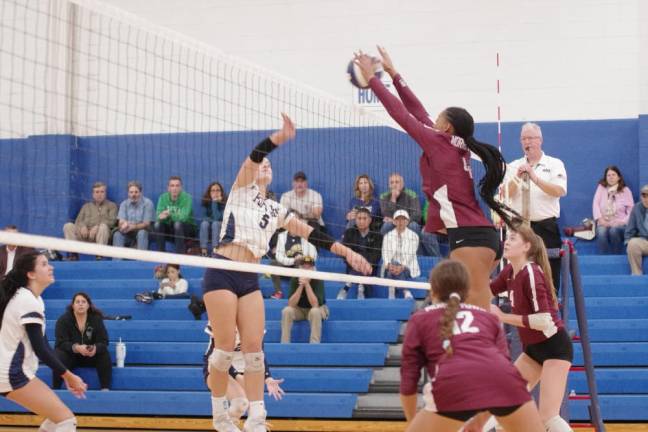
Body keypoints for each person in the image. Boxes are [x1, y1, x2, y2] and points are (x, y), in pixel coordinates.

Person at [201, 113, 371, 432]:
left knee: (254, 352)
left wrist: (348, 251)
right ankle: (220, 416)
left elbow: (314, 235)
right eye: (262, 166)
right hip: (222, 271)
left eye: (269, 166)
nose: (265, 167)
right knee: (224, 350)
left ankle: (256, 419)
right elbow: (256, 154)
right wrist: (281, 137)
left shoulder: (277, 210)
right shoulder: (241, 189)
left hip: (249, 278)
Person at [355, 47, 517, 310]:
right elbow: (417, 110)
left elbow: (401, 114)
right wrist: (394, 74)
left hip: (470, 237)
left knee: (475, 310)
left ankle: (490, 349)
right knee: (464, 305)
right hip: (476, 235)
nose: (434, 118)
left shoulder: (438, 142)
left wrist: (373, 79)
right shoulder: (451, 142)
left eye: (439, 117)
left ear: (446, 127)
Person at [400, 260, 544, 432]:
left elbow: (408, 380)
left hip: (452, 383)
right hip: (507, 383)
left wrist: (412, 422)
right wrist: (480, 421)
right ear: (467, 291)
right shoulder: (487, 317)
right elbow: (499, 369)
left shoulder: (420, 319)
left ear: (433, 290)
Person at [484, 223, 573, 432]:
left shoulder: (531, 272)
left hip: (554, 348)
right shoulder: (509, 272)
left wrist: (503, 316)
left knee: (548, 417)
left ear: (526, 246)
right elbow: (485, 293)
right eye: (507, 237)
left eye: (513, 238)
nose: (506, 241)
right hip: (533, 350)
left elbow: (544, 320)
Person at [0, 252, 87, 431]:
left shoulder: (33, 299)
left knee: (57, 419)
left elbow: (44, 344)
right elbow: (40, 349)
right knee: (66, 421)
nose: (51, 267)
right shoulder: (26, 300)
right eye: (44, 264)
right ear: (31, 274)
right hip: (11, 373)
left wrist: (66, 375)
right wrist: (69, 376)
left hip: (10, 371)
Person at [505, 122, 567, 293]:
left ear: (540, 140)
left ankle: (551, 311)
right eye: (523, 138)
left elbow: (559, 191)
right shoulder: (513, 165)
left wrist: (535, 178)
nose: (527, 142)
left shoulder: (554, 164)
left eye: (531, 138)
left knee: (549, 273)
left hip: (545, 226)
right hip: (519, 227)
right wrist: (517, 178)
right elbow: (505, 196)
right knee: (519, 272)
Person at [203, 325, 285, 424]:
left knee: (258, 415)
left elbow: (259, 354)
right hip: (218, 368)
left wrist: (268, 378)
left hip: (244, 369)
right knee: (240, 403)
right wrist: (237, 376)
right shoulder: (223, 316)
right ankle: (222, 423)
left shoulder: (254, 319)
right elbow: (219, 356)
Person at [54, 292, 112, 391]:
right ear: (73, 305)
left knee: (104, 354)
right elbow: (61, 343)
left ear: (88, 305)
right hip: (71, 356)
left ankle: (105, 388)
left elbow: (104, 341)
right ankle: (56, 388)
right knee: (60, 355)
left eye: (83, 302)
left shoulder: (96, 319)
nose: (80, 304)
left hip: (90, 356)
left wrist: (95, 348)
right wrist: (76, 348)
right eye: (77, 302)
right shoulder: (63, 320)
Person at [63, 181, 118, 261]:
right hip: (85, 235)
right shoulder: (86, 206)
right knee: (68, 226)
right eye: (97, 192)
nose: (99, 194)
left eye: (102, 192)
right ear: (93, 194)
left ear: (105, 193)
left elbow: (113, 221)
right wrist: (82, 226)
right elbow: (78, 221)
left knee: (103, 227)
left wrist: (97, 226)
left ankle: (99, 256)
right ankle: (74, 255)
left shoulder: (112, 206)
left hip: (101, 236)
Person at [269, 212, 318, 300]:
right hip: (286, 267)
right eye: (291, 219)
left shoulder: (307, 235)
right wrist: (292, 260)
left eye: (296, 219)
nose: (293, 222)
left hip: (301, 267)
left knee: (299, 263)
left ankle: (296, 293)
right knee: (273, 264)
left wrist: (303, 259)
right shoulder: (281, 236)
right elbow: (278, 256)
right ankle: (278, 292)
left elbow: (313, 255)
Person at [337, 207, 383, 300]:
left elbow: (376, 255)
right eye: (359, 218)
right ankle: (360, 288)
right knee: (357, 265)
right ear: (355, 220)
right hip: (352, 266)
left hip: (369, 268)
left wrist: (363, 263)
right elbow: (345, 253)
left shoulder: (378, 235)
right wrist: (355, 263)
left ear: (370, 220)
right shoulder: (349, 232)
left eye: (364, 218)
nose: (361, 221)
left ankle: (346, 287)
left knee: (365, 267)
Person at [280, 256, 328, 343]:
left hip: (317, 308)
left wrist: (307, 284)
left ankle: (314, 343)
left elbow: (315, 305)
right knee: (286, 310)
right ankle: (284, 342)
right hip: (300, 309)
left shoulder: (318, 279)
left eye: (309, 267)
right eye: (304, 267)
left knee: (315, 311)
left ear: (313, 268)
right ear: (300, 268)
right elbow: (291, 304)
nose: (306, 270)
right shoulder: (295, 279)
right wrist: (301, 285)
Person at [592, 166, 633, 254]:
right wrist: (600, 219)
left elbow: (631, 210)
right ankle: (604, 259)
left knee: (614, 231)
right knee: (601, 232)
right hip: (603, 221)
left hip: (620, 223)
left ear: (619, 177)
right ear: (605, 178)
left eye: (613, 175)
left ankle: (615, 256)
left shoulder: (625, 190)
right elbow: (595, 204)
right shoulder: (601, 188)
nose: (611, 177)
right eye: (608, 175)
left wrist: (622, 222)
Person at [381, 210, 419, 300]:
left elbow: (410, 254)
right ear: (394, 222)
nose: (400, 222)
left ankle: (392, 291)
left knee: (395, 268)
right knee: (393, 265)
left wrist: (401, 266)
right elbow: (385, 252)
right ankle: (406, 291)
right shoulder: (388, 235)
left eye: (403, 219)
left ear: (407, 222)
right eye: (398, 220)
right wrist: (388, 264)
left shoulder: (414, 236)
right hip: (391, 266)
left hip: (407, 267)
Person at [153, 176, 196, 254]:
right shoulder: (163, 198)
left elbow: (184, 218)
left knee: (178, 224)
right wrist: (162, 217)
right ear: (168, 188)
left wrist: (169, 214)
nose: (174, 188)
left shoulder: (187, 198)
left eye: (177, 185)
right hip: (170, 229)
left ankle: (180, 255)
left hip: (187, 230)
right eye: (172, 186)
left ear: (181, 187)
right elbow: (159, 217)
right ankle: (160, 255)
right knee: (157, 225)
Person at [113, 181, 155, 252]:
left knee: (142, 233)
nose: (133, 195)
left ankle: (141, 262)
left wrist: (133, 227)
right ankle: (117, 262)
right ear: (128, 193)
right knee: (117, 234)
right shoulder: (124, 204)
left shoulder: (148, 203)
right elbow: (121, 222)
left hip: (144, 233)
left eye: (136, 192)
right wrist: (123, 225)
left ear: (141, 193)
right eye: (131, 192)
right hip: (128, 233)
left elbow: (146, 223)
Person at [625, 184, 648, 275]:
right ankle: (637, 275)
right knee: (632, 243)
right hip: (644, 241)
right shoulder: (637, 208)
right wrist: (628, 242)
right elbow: (630, 228)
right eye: (644, 196)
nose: (646, 199)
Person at [200, 182, 227, 257]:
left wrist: (214, 202)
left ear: (221, 192)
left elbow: (217, 218)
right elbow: (204, 217)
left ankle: (215, 250)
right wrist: (211, 220)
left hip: (221, 227)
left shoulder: (225, 203)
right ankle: (204, 251)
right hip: (209, 226)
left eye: (218, 190)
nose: (215, 193)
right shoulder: (205, 202)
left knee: (215, 224)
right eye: (213, 190)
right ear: (209, 193)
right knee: (204, 224)